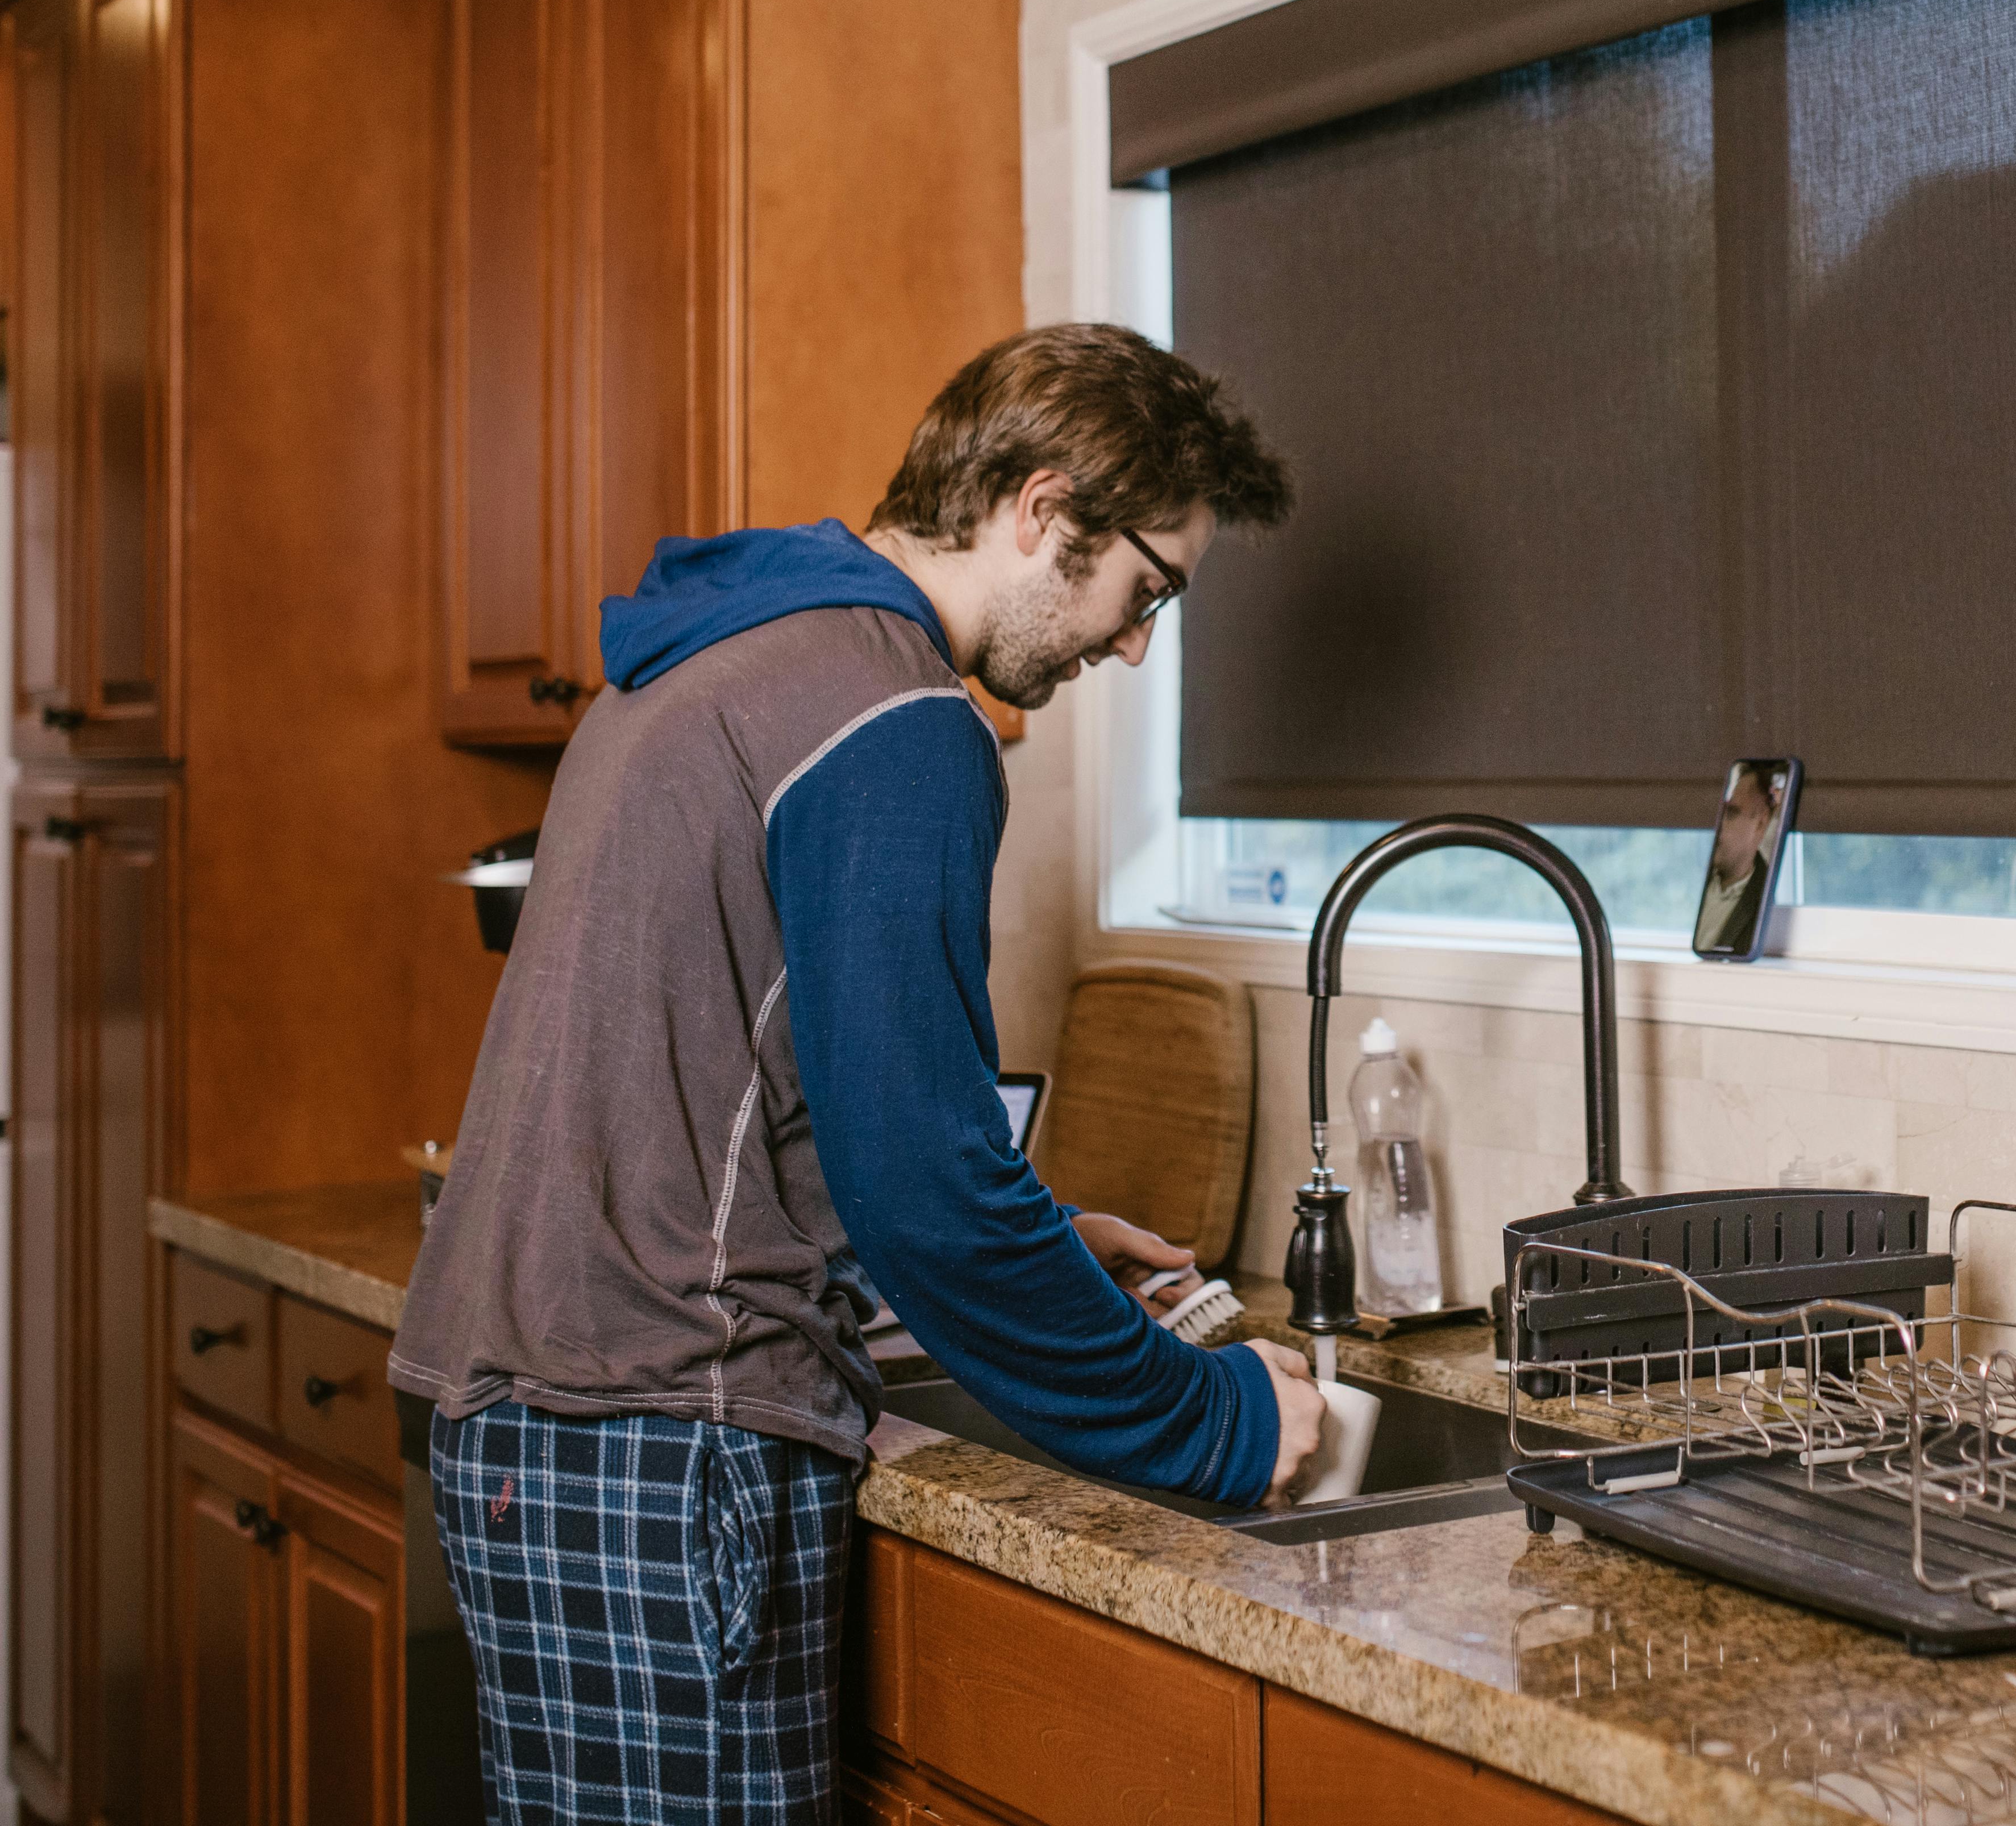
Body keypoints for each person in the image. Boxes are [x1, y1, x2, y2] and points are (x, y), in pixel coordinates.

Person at [388, 325, 1324, 1822]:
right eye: (1146, 588)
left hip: (531, 1425)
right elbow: (932, 1194)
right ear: (1041, 510)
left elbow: (751, 1092)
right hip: (664, 1443)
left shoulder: (732, 656)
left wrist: (1047, 1240)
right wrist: (1220, 1423)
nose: (1137, 645)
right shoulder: (897, 720)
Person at [1692, 763, 1786, 955]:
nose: (1719, 825)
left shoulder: (1764, 901)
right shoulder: (1694, 876)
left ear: (1761, 824)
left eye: (1732, 813)